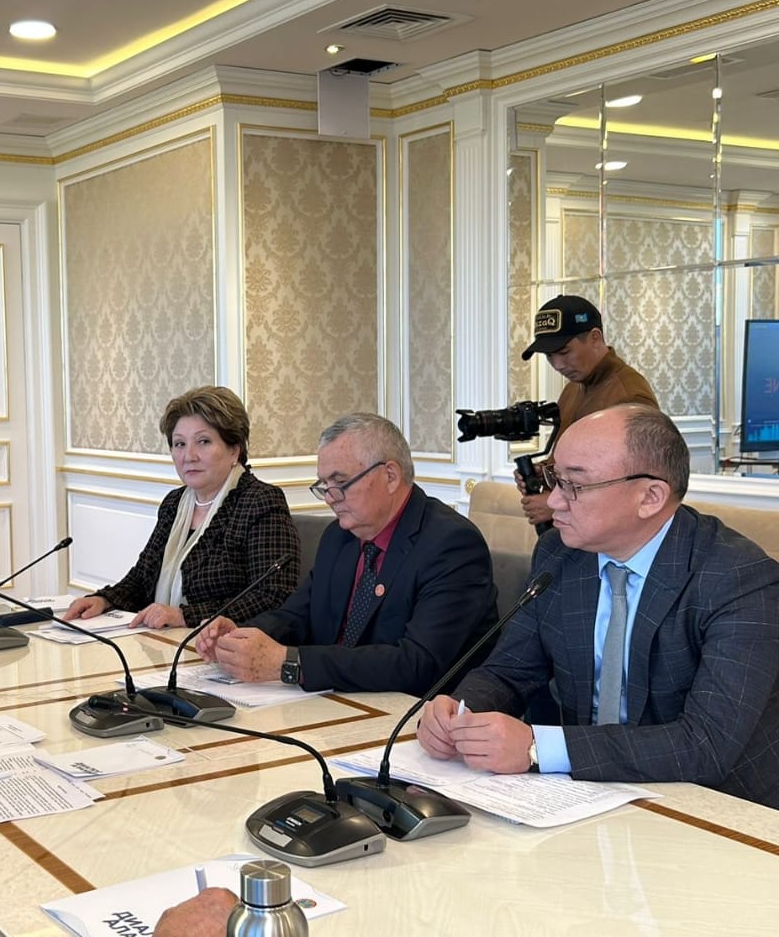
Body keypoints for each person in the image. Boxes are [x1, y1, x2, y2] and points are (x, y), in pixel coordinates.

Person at [419, 405, 779, 808]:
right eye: (555, 478)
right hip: (590, 794)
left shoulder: (740, 579)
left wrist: (538, 747)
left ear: (650, 497)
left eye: (575, 485)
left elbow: (705, 745)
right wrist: (460, 712)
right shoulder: (559, 554)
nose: (554, 501)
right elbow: (510, 671)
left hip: (722, 809)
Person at [196, 413, 497, 695]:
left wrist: (291, 662)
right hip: (331, 701)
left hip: (410, 715)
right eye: (324, 485)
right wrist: (241, 636)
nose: (329, 498)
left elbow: (416, 663)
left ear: (390, 476)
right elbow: (297, 616)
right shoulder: (338, 537)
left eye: (340, 483)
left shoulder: (451, 545)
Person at [65, 386, 299, 629]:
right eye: (179, 444)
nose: (189, 456)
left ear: (234, 450)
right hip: (162, 639)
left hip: (221, 644)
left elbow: (273, 595)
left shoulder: (260, 502)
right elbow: (143, 577)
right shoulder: (174, 503)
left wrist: (185, 616)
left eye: (203, 442)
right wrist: (104, 600)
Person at [517, 294, 657, 528]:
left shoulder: (630, 396)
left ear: (595, 338)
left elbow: (636, 485)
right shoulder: (573, 388)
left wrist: (557, 505)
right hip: (575, 533)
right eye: (550, 356)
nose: (558, 365)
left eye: (564, 352)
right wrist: (547, 472)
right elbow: (583, 463)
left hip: (610, 538)